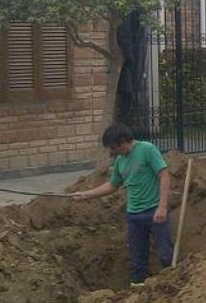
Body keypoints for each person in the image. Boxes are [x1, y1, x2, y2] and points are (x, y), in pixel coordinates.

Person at [70, 123, 172, 287]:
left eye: (114, 147)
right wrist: (86, 195)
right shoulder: (120, 161)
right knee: (138, 259)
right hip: (134, 215)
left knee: (165, 254)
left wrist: (163, 206)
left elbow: (164, 176)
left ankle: (171, 285)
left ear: (123, 141)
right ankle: (138, 289)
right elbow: (113, 185)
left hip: (154, 210)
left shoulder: (147, 149)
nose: (113, 151)